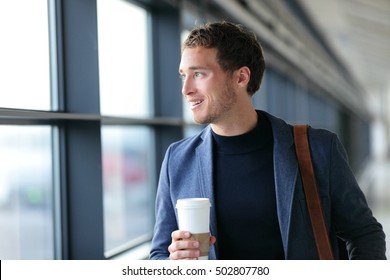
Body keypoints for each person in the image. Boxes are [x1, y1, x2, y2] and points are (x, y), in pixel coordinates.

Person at [149, 21, 386, 260]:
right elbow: (158, 253)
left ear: (241, 77)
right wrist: (173, 262)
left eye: (199, 74)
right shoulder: (177, 160)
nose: (186, 89)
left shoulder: (318, 148)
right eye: (183, 76)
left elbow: (364, 233)